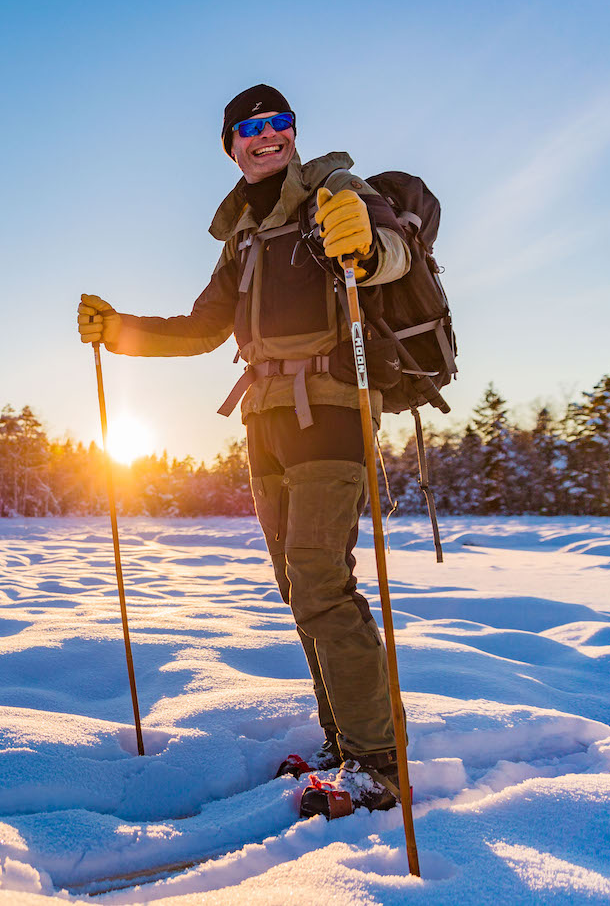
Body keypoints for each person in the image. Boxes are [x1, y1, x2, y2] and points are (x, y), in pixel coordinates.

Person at [76, 84, 409, 817]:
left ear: (294, 132)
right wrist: (118, 329)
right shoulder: (245, 238)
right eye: (250, 128)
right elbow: (200, 329)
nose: (267, 136)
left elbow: (392, 258)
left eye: (278, 123)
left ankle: (379, 763)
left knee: (323, 583)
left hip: (329, 413)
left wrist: (367, 242)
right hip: (264, 425)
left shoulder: (335, 190)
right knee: (301, 593)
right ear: (231, 146)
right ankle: (342, 743)